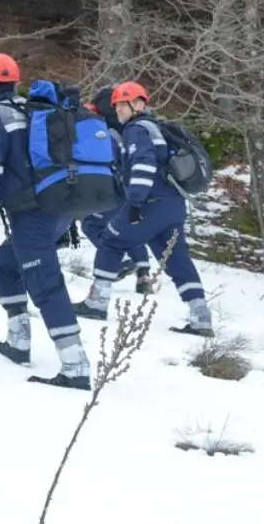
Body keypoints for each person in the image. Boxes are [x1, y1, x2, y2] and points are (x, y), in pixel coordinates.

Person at [0, 52, 92, 390]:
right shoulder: (30, 111)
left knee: (45, 284)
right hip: (58, 212)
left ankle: (75, 366)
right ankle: (18, 342)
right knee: (5, 265)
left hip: (32, 216)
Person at [72, 81, 214, 336]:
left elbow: (144, 166)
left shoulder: (136, 130)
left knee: (111, 241)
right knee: (176, 258)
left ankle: (97, 302)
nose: (119, 110)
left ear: (138, 104)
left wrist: (134, 204)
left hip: (150, 205)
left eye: (123, 105)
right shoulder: (155, 127)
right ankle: (201, 317)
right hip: (172, 205)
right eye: (116, 106)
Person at [80, 85, 152, 295]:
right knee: (129, 228)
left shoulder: (104, 128)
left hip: (112, 186)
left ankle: (120, 262)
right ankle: (144, 274)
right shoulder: (131, 127)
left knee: (92, 224)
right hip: (130, 187)